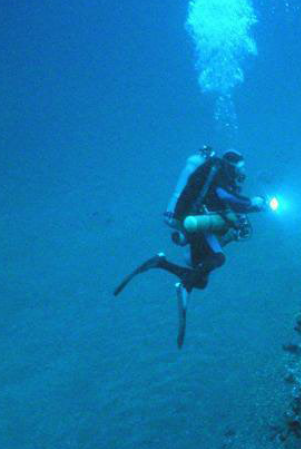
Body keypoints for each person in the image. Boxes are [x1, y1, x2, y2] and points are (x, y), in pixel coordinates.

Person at [114, 147, 266, 348]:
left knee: (200, 279)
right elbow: (226, 197)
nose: (243, 171)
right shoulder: (219, 172)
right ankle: (184, 285)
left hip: (192, 220)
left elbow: (223, 202)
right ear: (233, 165)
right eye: (241, 167)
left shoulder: (215, 172)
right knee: (218, 258)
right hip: (192, 220)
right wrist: (253, 202)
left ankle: (161, 263)